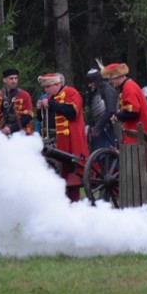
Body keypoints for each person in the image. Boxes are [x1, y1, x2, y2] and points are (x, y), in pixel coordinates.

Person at [36, 73, 89, 201]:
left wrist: (50, 104)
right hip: (56, 139)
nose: (46, 90)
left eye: (48, 87)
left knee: (71, 172)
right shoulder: (52, 98)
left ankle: (73, 201)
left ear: (57, 84)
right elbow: (43, 119)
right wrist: (39, 110)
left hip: (71, 139)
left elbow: (71, 113)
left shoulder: (71, 92)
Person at [100, 62, 147, 143]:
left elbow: (133, 113)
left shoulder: (128, 88)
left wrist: (117, 116)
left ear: (117, 76)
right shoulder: (129, 85)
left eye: (110, 78)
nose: (109, 82)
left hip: (138, 132)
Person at [0, 68, 35, 135]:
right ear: (4, 80)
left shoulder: (25, 95)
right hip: (3, 131)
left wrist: (11, 128)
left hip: (21, 131)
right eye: (11, 78)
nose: (14, 81)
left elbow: (27, 117)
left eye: (16, 78)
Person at [85, 68, 118, 151]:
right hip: (98, 129)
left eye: (91, 82)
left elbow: (111, 110)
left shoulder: (107, 89)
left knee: (107, 153)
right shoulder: (95, 91)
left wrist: (98, 127)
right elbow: (91, 112)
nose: (89, 85)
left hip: (108, 128)